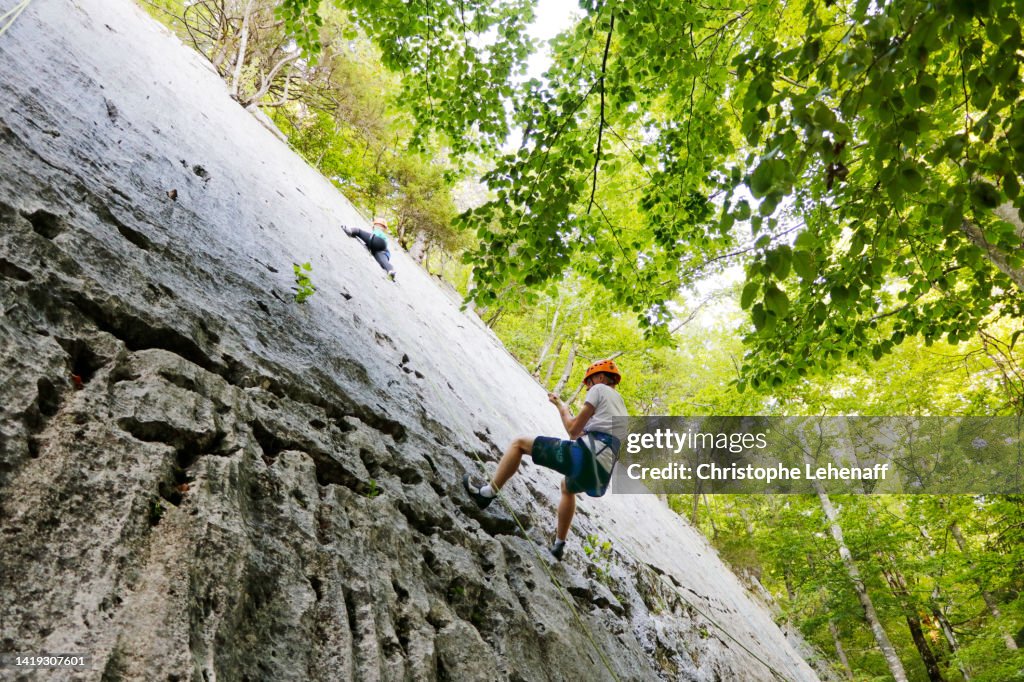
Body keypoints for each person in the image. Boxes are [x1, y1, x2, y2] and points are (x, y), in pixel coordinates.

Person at [463, 359, 628, 560]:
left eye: (589, 383)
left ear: (600, 377)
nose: (587, 388)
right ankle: (559, 545)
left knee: (519, 443)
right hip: (603, 469)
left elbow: (573, 431)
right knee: (567, 488)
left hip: (588, 453)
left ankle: (486, 494)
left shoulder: (599, 389)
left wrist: (561, 407)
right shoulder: (620, 405)